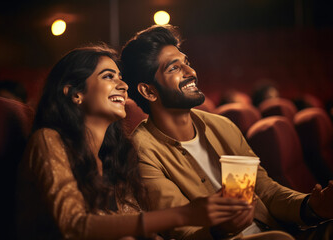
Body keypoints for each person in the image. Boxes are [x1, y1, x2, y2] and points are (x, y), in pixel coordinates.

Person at [15, 44, 255, 240]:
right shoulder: (48, 140)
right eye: (109, 76)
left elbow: (139, 230)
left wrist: (220, 229)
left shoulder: (114, 157)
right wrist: (185, 214)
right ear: (74, 93)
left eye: (121, 77)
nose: (123, 85)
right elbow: (74, 226)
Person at [120, 25, 333, 240]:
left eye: (187, 63)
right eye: (174, 68)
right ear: (148, 91)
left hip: (279, 230)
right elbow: (181, 228)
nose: (191, 72)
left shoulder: (222, 125)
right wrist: (220, 230)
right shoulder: (141, 151)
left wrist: (312, 206)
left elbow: (266, 191)